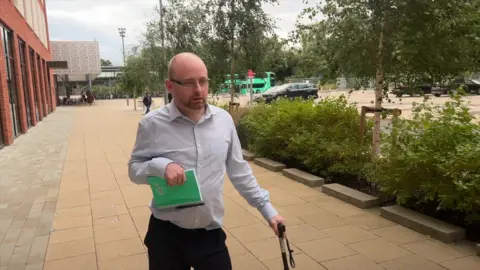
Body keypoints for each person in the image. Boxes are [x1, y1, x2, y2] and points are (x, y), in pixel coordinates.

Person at [128, 52, 284, 270]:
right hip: (166, 236)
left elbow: (239, 171)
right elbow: (134, 169)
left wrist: (268, 211)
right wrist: (160, 167)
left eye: (203, 81)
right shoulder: (151, 124)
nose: (199, 90)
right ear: (170, 85)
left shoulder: (224, 121)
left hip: (209, 235)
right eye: (189, 83)